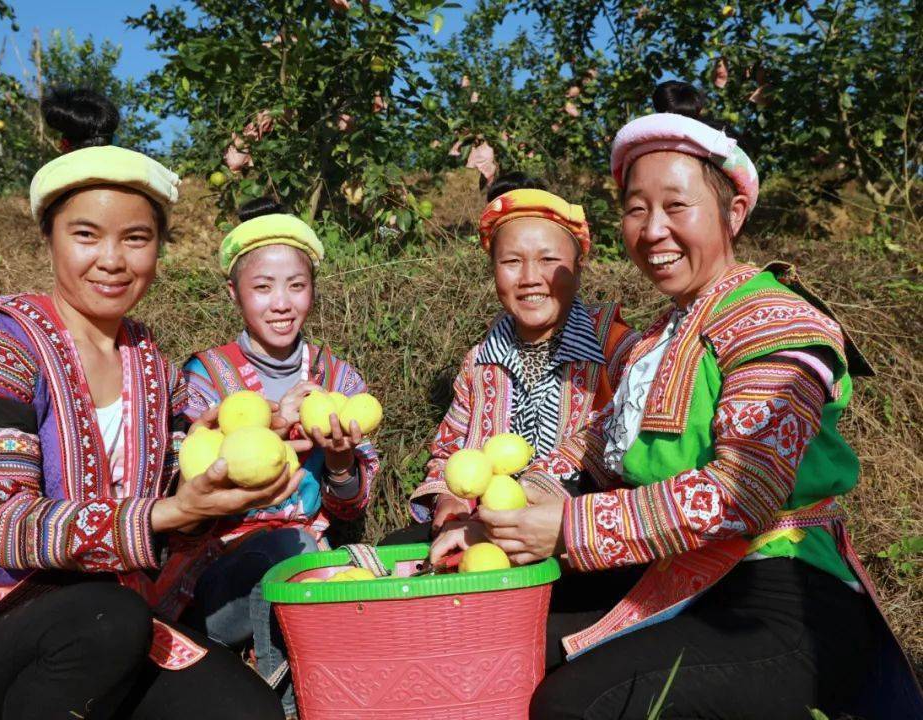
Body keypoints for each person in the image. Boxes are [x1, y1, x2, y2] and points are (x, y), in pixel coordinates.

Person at [436, 81, 921, 719]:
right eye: (636, 209)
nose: (653, 229)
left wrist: (570, 527)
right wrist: (498, 514)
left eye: (676, 206)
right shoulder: (656, 342)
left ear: (734, 212)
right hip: (677, 573)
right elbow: (593, 450)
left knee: (577, 705)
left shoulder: (774, 319)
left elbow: (742, 491)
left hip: (782, 592)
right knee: (500, 637)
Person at [0, 89, 295, 720]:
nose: (112, 259)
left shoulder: (152, 368)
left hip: (114, 630)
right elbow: (7, 525)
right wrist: (167, 512)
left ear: (158, 250)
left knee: (245, 712)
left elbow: (181, 503)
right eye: (86, 235)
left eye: (136, 238)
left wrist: (221, 479)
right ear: (49, 238)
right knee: (106, 616)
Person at [179, 197, 379, 716]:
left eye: (296, 285)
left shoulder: (339, 380)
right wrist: (273, 420)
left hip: (313, 565)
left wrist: (338, 464)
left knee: (349, 574)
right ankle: (286, 703)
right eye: (263, 288)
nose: (282, 302)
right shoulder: (204, 379)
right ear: (234, 293)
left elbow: (352, 509)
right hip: (221, 579)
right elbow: (192, 487)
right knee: (285, 551)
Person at [385, 173, 636, 550]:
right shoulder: (479, 363)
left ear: (579, 265)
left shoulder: (617, 348)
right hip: (483, 525)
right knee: (394, 551)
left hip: (576, 535)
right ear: (493, 269)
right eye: (512, 262)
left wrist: (539, 491)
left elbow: (625, 432)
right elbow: (450, 447)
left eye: (549, 259)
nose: (530, 279)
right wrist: (450, 496)